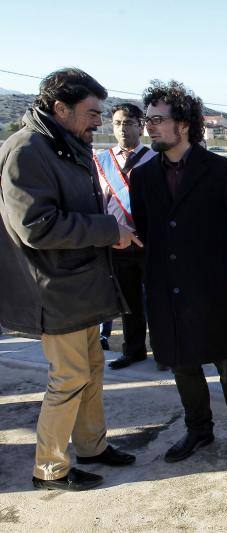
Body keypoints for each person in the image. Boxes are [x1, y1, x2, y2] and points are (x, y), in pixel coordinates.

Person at [0, 68, 138, 491]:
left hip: (77, 285)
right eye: (92, 112)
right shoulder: (27, 150)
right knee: (69, 379)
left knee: (91, 370)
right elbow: (35, 226)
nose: (99, 120)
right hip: (52, 289)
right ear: (60, 108)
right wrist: (108, 231)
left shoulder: (60, 145)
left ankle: (92, 446)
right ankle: (50, 468)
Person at [130, 80, 227, 466]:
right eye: (146, 119)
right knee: (183, 365)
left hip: (212, 287)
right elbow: (148, 231)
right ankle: (199, 429)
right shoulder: (143, 176)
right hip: (167, 289)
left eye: (156, 120)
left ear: (183, 124)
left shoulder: (223, 172)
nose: (148, 126)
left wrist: (216, 268)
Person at [94, 103, 158, 370]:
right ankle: (133, 350)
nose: (123, 128)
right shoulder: (102, 159)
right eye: (118, 123)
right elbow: (100, 200)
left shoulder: (154, 158)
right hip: (118, 242)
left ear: (141, 126)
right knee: (128, 302)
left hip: (149, 241)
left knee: (156, 300)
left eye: (130, 123)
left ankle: (163, 350)